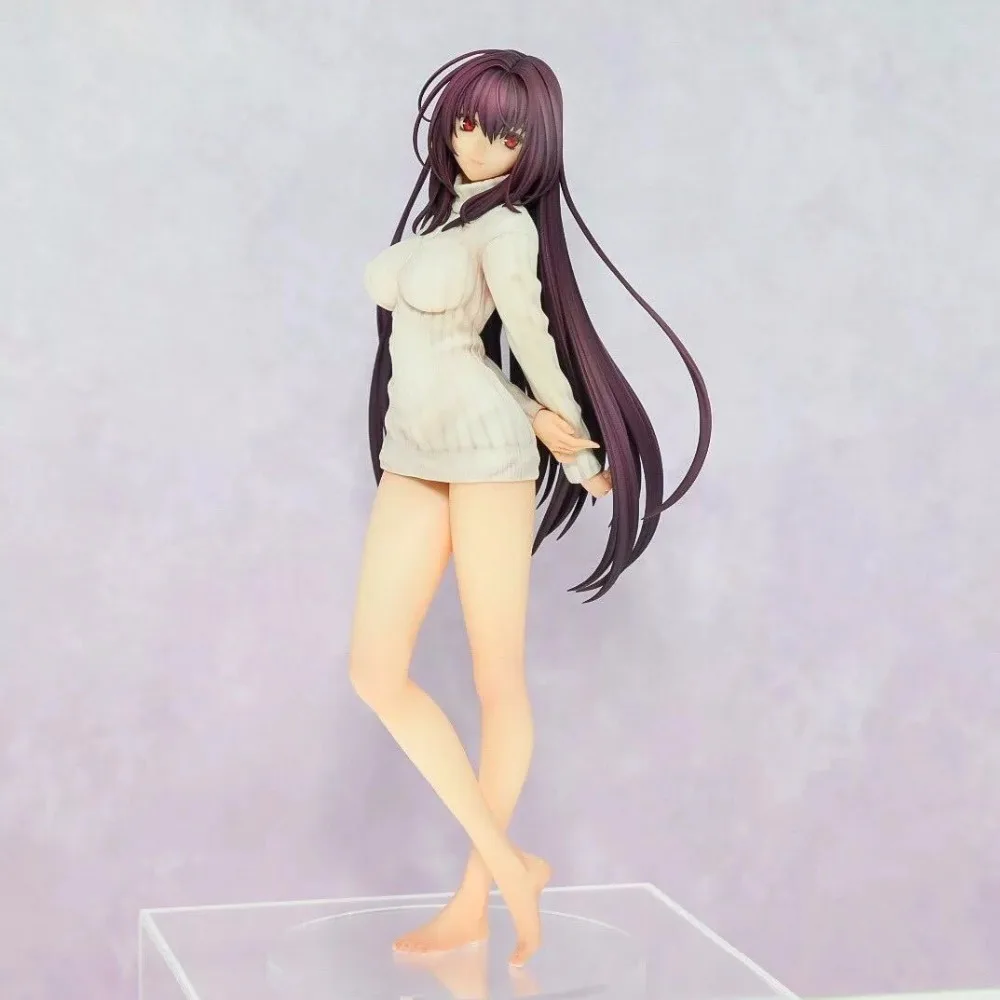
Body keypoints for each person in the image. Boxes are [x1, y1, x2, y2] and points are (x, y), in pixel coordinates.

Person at [348, 48, 711, 967]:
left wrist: (578, 446)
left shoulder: (507, 231)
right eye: (468, 123)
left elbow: (535, 338)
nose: (477, 144)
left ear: (532, 145)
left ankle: (476, 898)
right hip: (412, 457)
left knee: (496, 677)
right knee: (375, 671)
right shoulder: (441, 223)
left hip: (488, 462)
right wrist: (525, 406)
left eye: (503, 134)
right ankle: (513, 864)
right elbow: (450, 351)